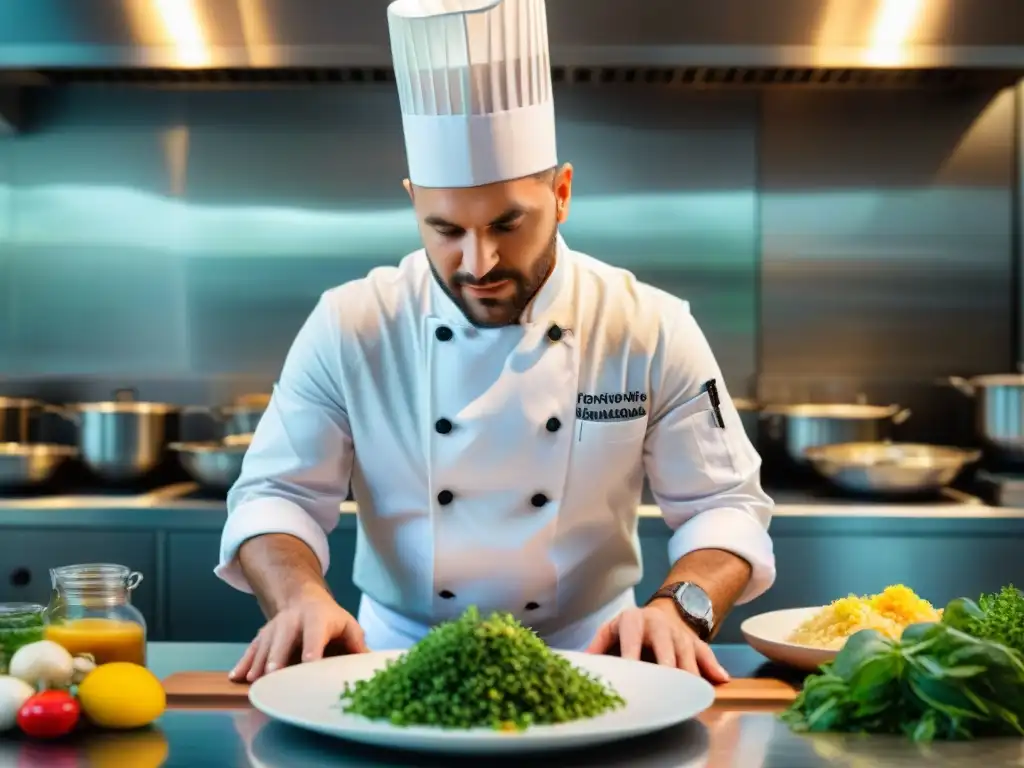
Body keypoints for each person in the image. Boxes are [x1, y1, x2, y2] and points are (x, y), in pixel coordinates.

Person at [217, 0, 775, 684]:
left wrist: (677, 611)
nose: (478, 262)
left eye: (508, 223)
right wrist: (299, 598)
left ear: (562, 193)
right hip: (391, 662)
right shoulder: (351, 324)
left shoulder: (648, 327)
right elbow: (274, 495)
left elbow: (726, 506)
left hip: (597, 661)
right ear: (413, 201)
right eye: (446, 230)